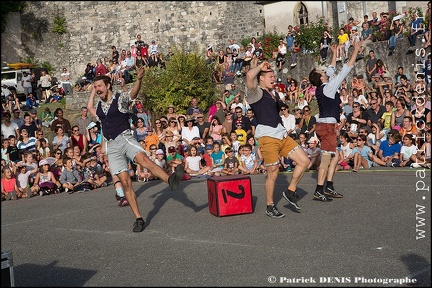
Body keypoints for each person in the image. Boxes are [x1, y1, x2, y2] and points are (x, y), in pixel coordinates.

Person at [86, 67, 184, 233]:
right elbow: (90, 108)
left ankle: (170, 181)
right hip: (112, 146)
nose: (97, 89)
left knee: (144, 160)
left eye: (100, 86)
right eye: (95, 87)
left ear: (108, 85)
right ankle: (138, 219)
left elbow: (132, 94)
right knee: (125, 183)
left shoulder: (120, 98)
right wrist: (93, 92)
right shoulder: (99, 106)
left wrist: (139, 79)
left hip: (124, 138)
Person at [245, 61, 310, 218]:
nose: (274, 78)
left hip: (280, 134)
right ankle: (270, 206)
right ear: (261, 78)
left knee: (304, 161)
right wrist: (260, 67)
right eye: (270, 76)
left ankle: (290, 191)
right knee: (273, 173)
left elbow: (282, 106)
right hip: (267, 136)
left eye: (274, 76)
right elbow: (249, 75)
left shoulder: (273, 93)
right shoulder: (256, 93)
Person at [308, 39, 363, 202]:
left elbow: (331, 69)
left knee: (335, 155)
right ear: (321, 78)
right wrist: (355, 51)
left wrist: (333, 54)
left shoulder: (323, 87)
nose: (324, 70)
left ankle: (329, 185)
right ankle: (319, 189)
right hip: (327, 126)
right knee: (326, 157)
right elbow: (345, 70)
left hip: (326, 125)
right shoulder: (329, 88)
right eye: (321, 71)